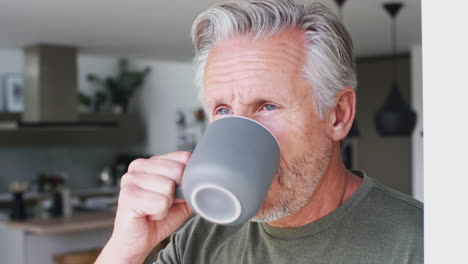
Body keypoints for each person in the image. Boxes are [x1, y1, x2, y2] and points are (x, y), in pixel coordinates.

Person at [96, 0, 423, 263]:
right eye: (223, 110)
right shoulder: (201, 238)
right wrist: (125, 250)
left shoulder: (422, 242)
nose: (240, 131)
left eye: (267, 105)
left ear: (338, 115)